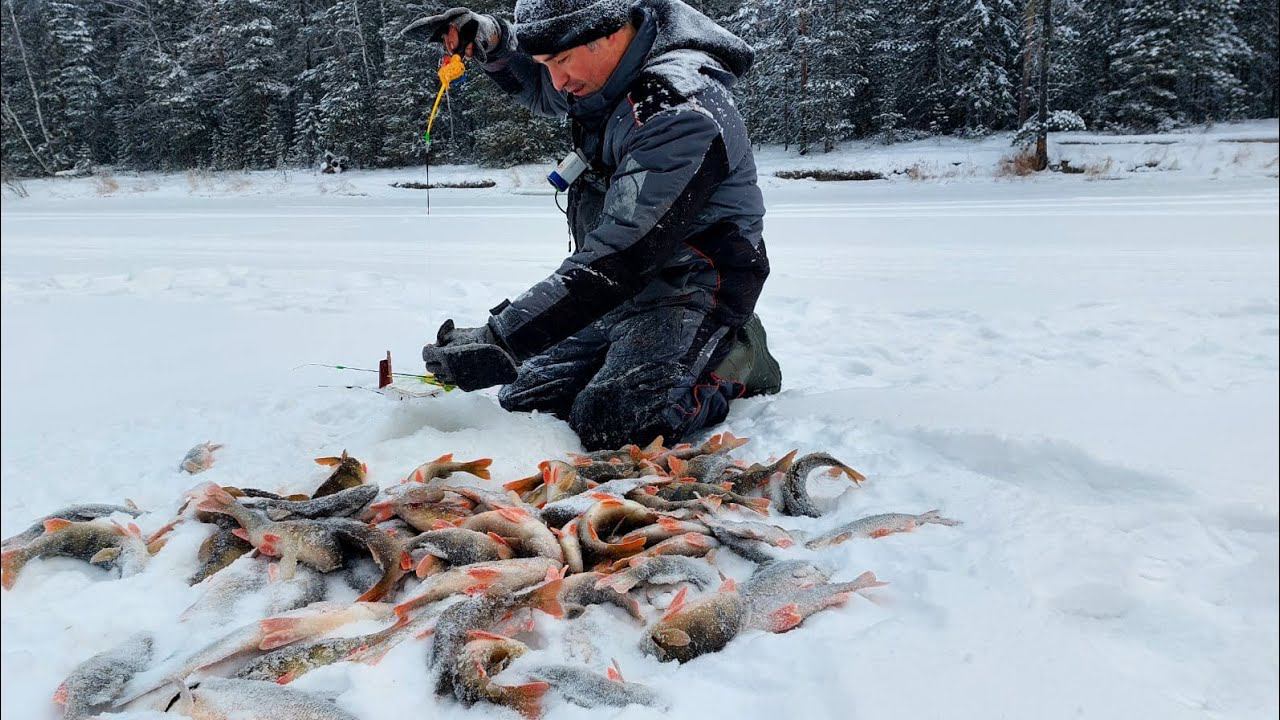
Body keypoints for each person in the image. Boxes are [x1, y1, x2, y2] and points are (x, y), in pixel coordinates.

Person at [407, 0, 780, 452]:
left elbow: (621, 257)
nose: (557, 81)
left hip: (694, 286)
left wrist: (502, 337)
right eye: (547, 63)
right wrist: (495, 44)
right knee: (525, 397)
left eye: (562, 61)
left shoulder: (677, 109)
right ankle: (634, 349)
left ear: (610, 33)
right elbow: (541, 87)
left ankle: (737, 354)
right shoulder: (606, 76)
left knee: (615, 421)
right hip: (622, 293)